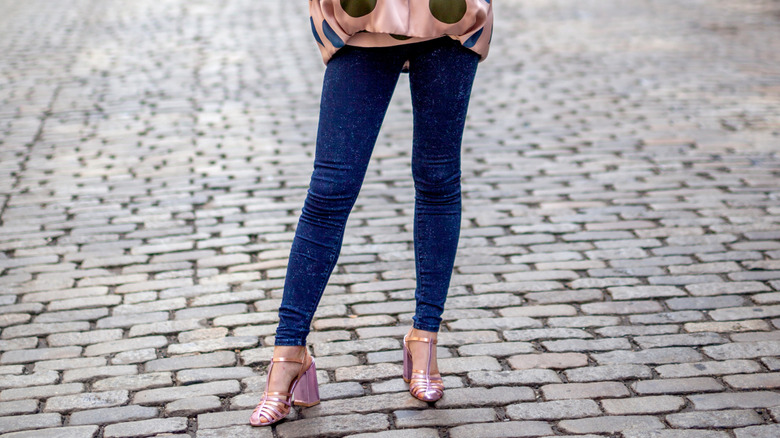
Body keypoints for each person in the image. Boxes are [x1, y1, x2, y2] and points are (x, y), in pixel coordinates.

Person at [250, 0, 494, 426]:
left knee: (437, 179)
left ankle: (425, 338)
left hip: (447, 19)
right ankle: (289, 354)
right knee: (330, 189)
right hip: (363, 18)